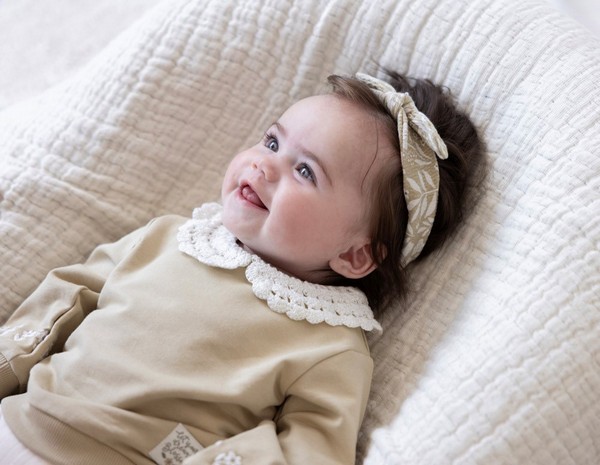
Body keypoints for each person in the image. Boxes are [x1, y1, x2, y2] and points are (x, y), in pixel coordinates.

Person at [0, 71, 483, 465]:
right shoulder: (170, 237)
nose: (263, 166)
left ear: (355, 255)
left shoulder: (331, 347)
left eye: (305, 171)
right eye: (272, 142)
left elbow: (314, 450)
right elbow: (70, 293)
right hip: (22, 415)